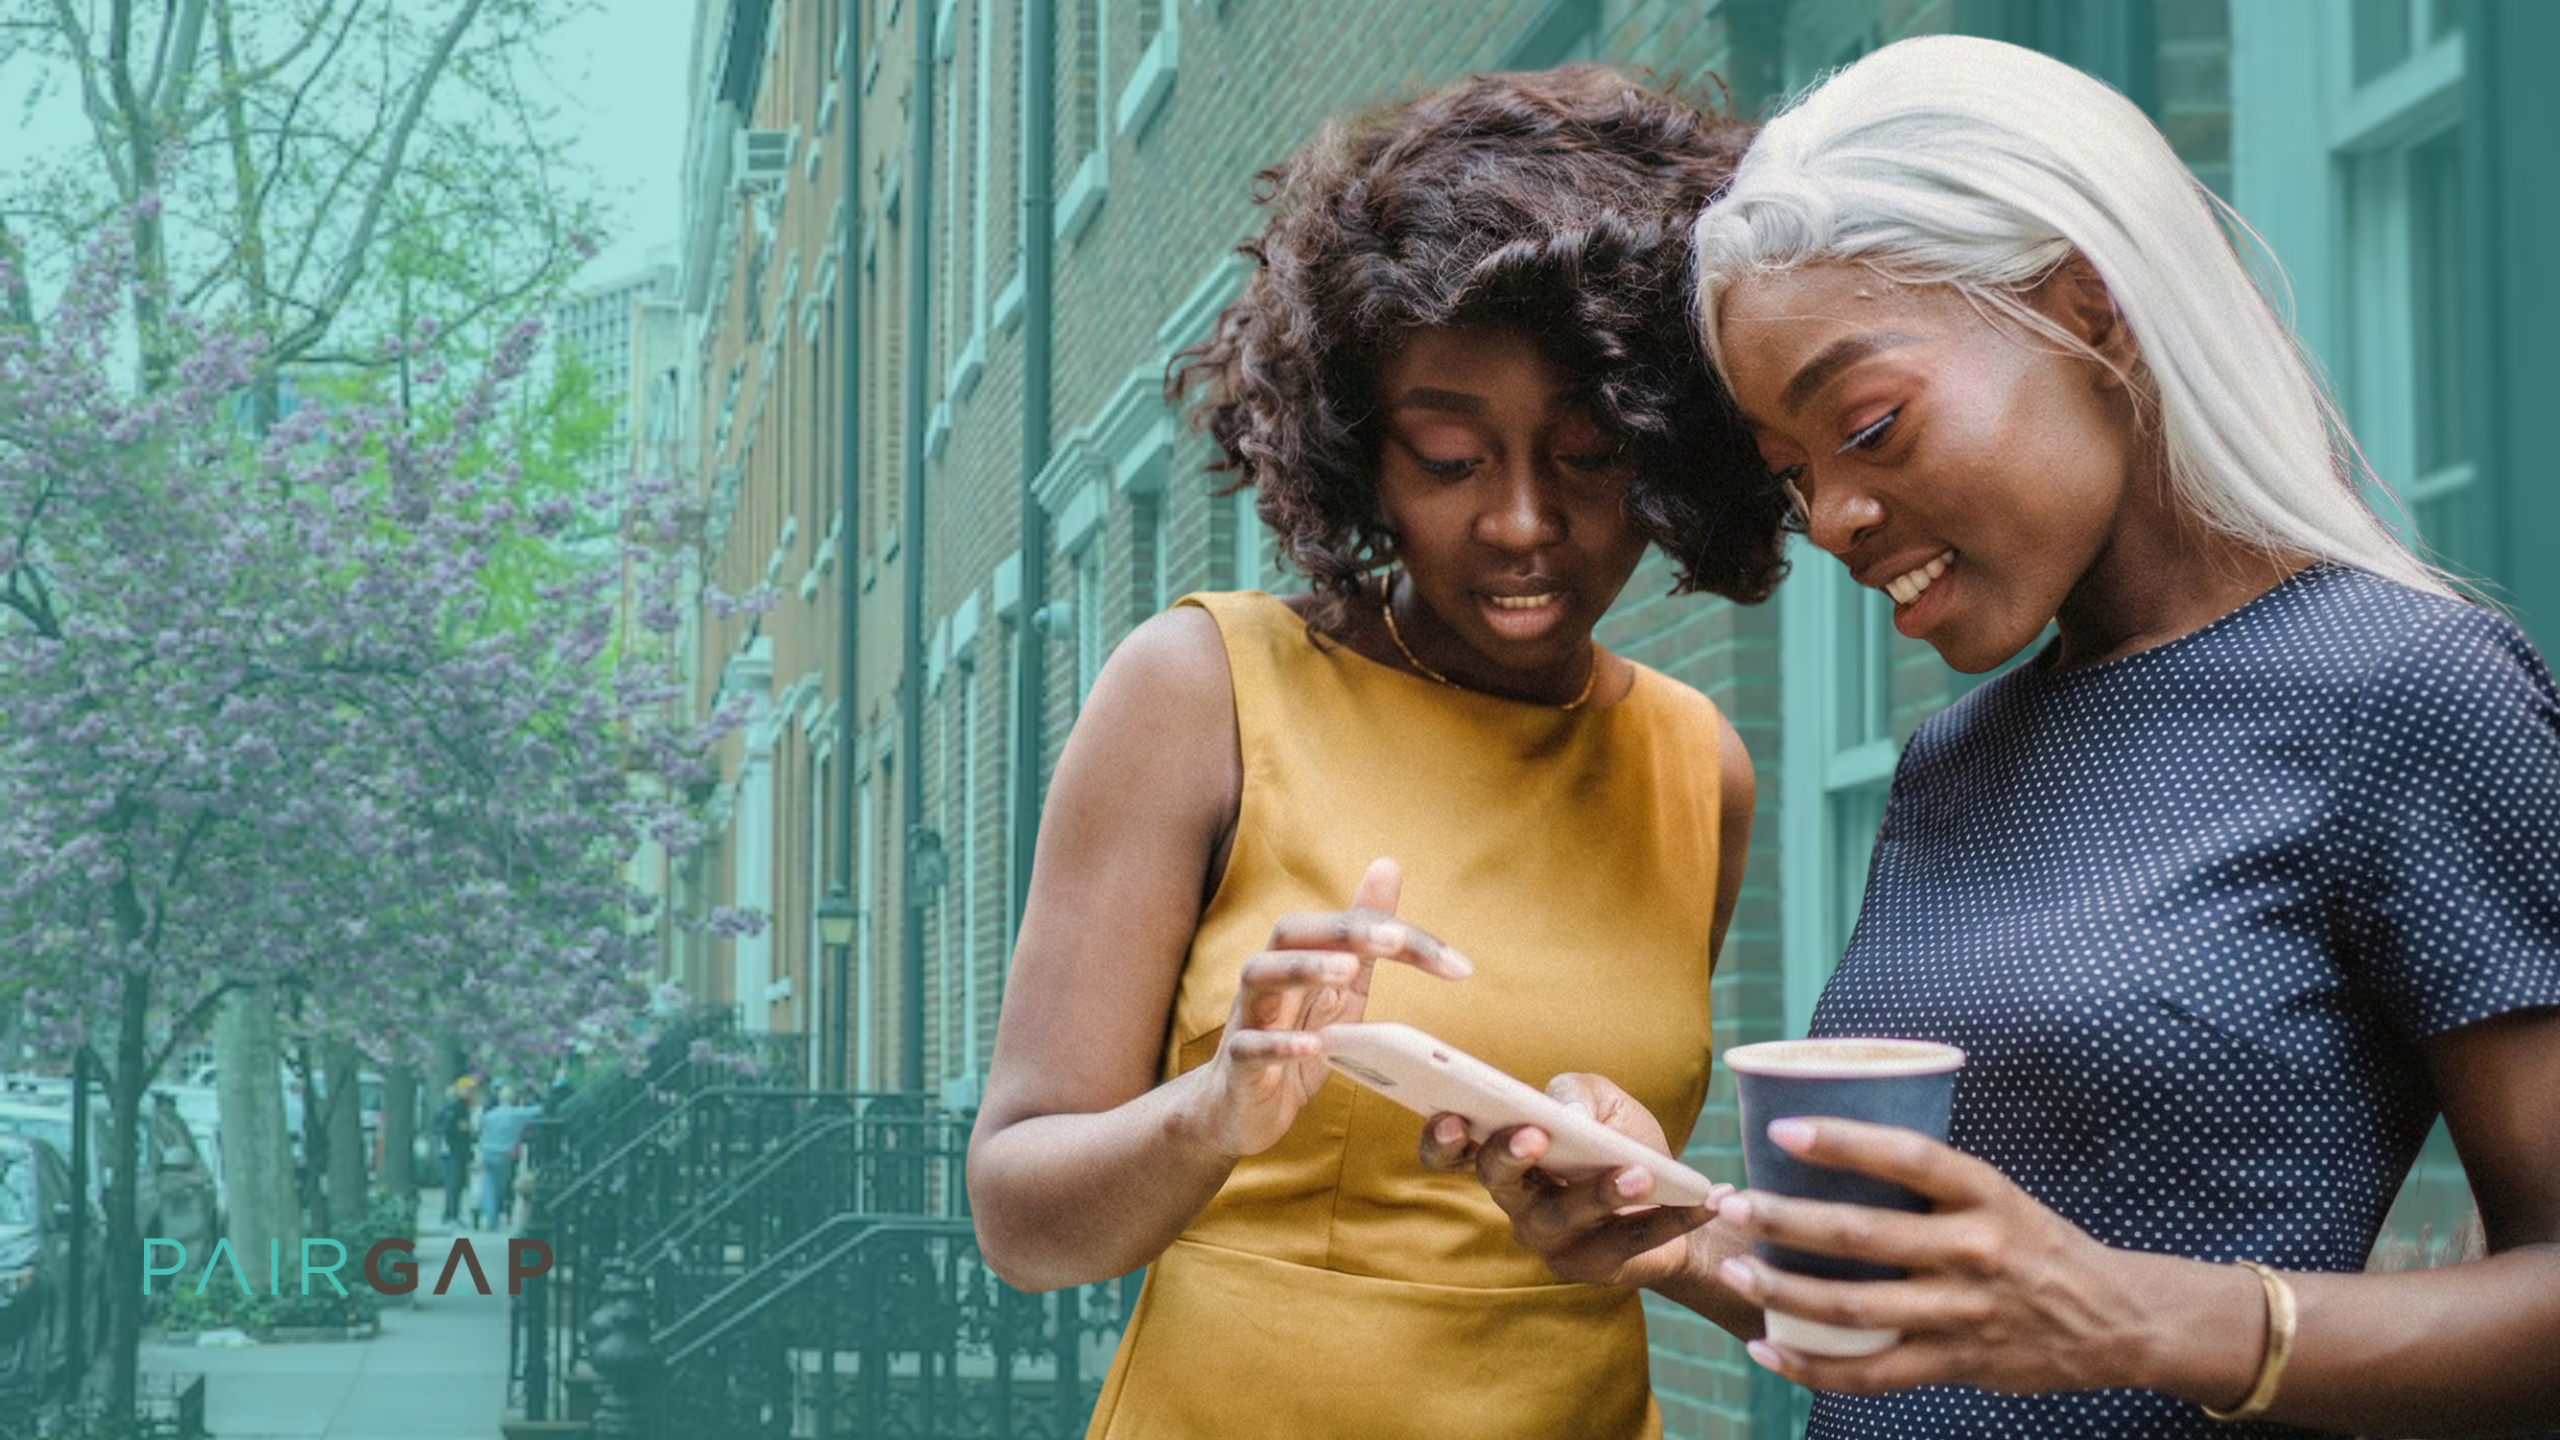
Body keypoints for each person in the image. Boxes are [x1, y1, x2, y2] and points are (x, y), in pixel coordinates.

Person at [1431, 35, 2560, 1439]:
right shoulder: (1950, 762)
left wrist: (2135, 1316)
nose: (1834, 517)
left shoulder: (2401, 691)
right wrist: (1682, 1238)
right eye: (1792, 475)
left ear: (2090, 309)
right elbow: (1940, 1317)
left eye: (1869, 426)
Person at [966, 67, 1783, 1440]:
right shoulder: (1203, 690)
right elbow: (1019, 1224)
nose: (1521, 522)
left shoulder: (1698, 766)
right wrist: (1213, 1111)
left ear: (1672, 447)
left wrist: (1635, 1201)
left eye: (1590, 456)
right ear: (1359, 453)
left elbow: (1669, 1247)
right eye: (1450, 458)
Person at [473, 1087, 541, 1231]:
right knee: (499, 1186)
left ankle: (484, 1209)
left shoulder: (489, 1115)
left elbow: (480, 1133)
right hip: (505, 1155)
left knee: (488, 1183)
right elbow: (537, 1111)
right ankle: (491, 1213)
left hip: (488, 1152)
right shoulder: (516, 1115)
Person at [432, 1079, 476, 1226]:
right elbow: (450, 1129)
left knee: (456, 1184)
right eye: (468, 1090)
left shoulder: (460, 1107)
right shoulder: (457, 1107)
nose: (471, 1093)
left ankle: (452, 1214)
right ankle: (450, 1215)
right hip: (454, 1152)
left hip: (456, 1151)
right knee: (454, 1184)